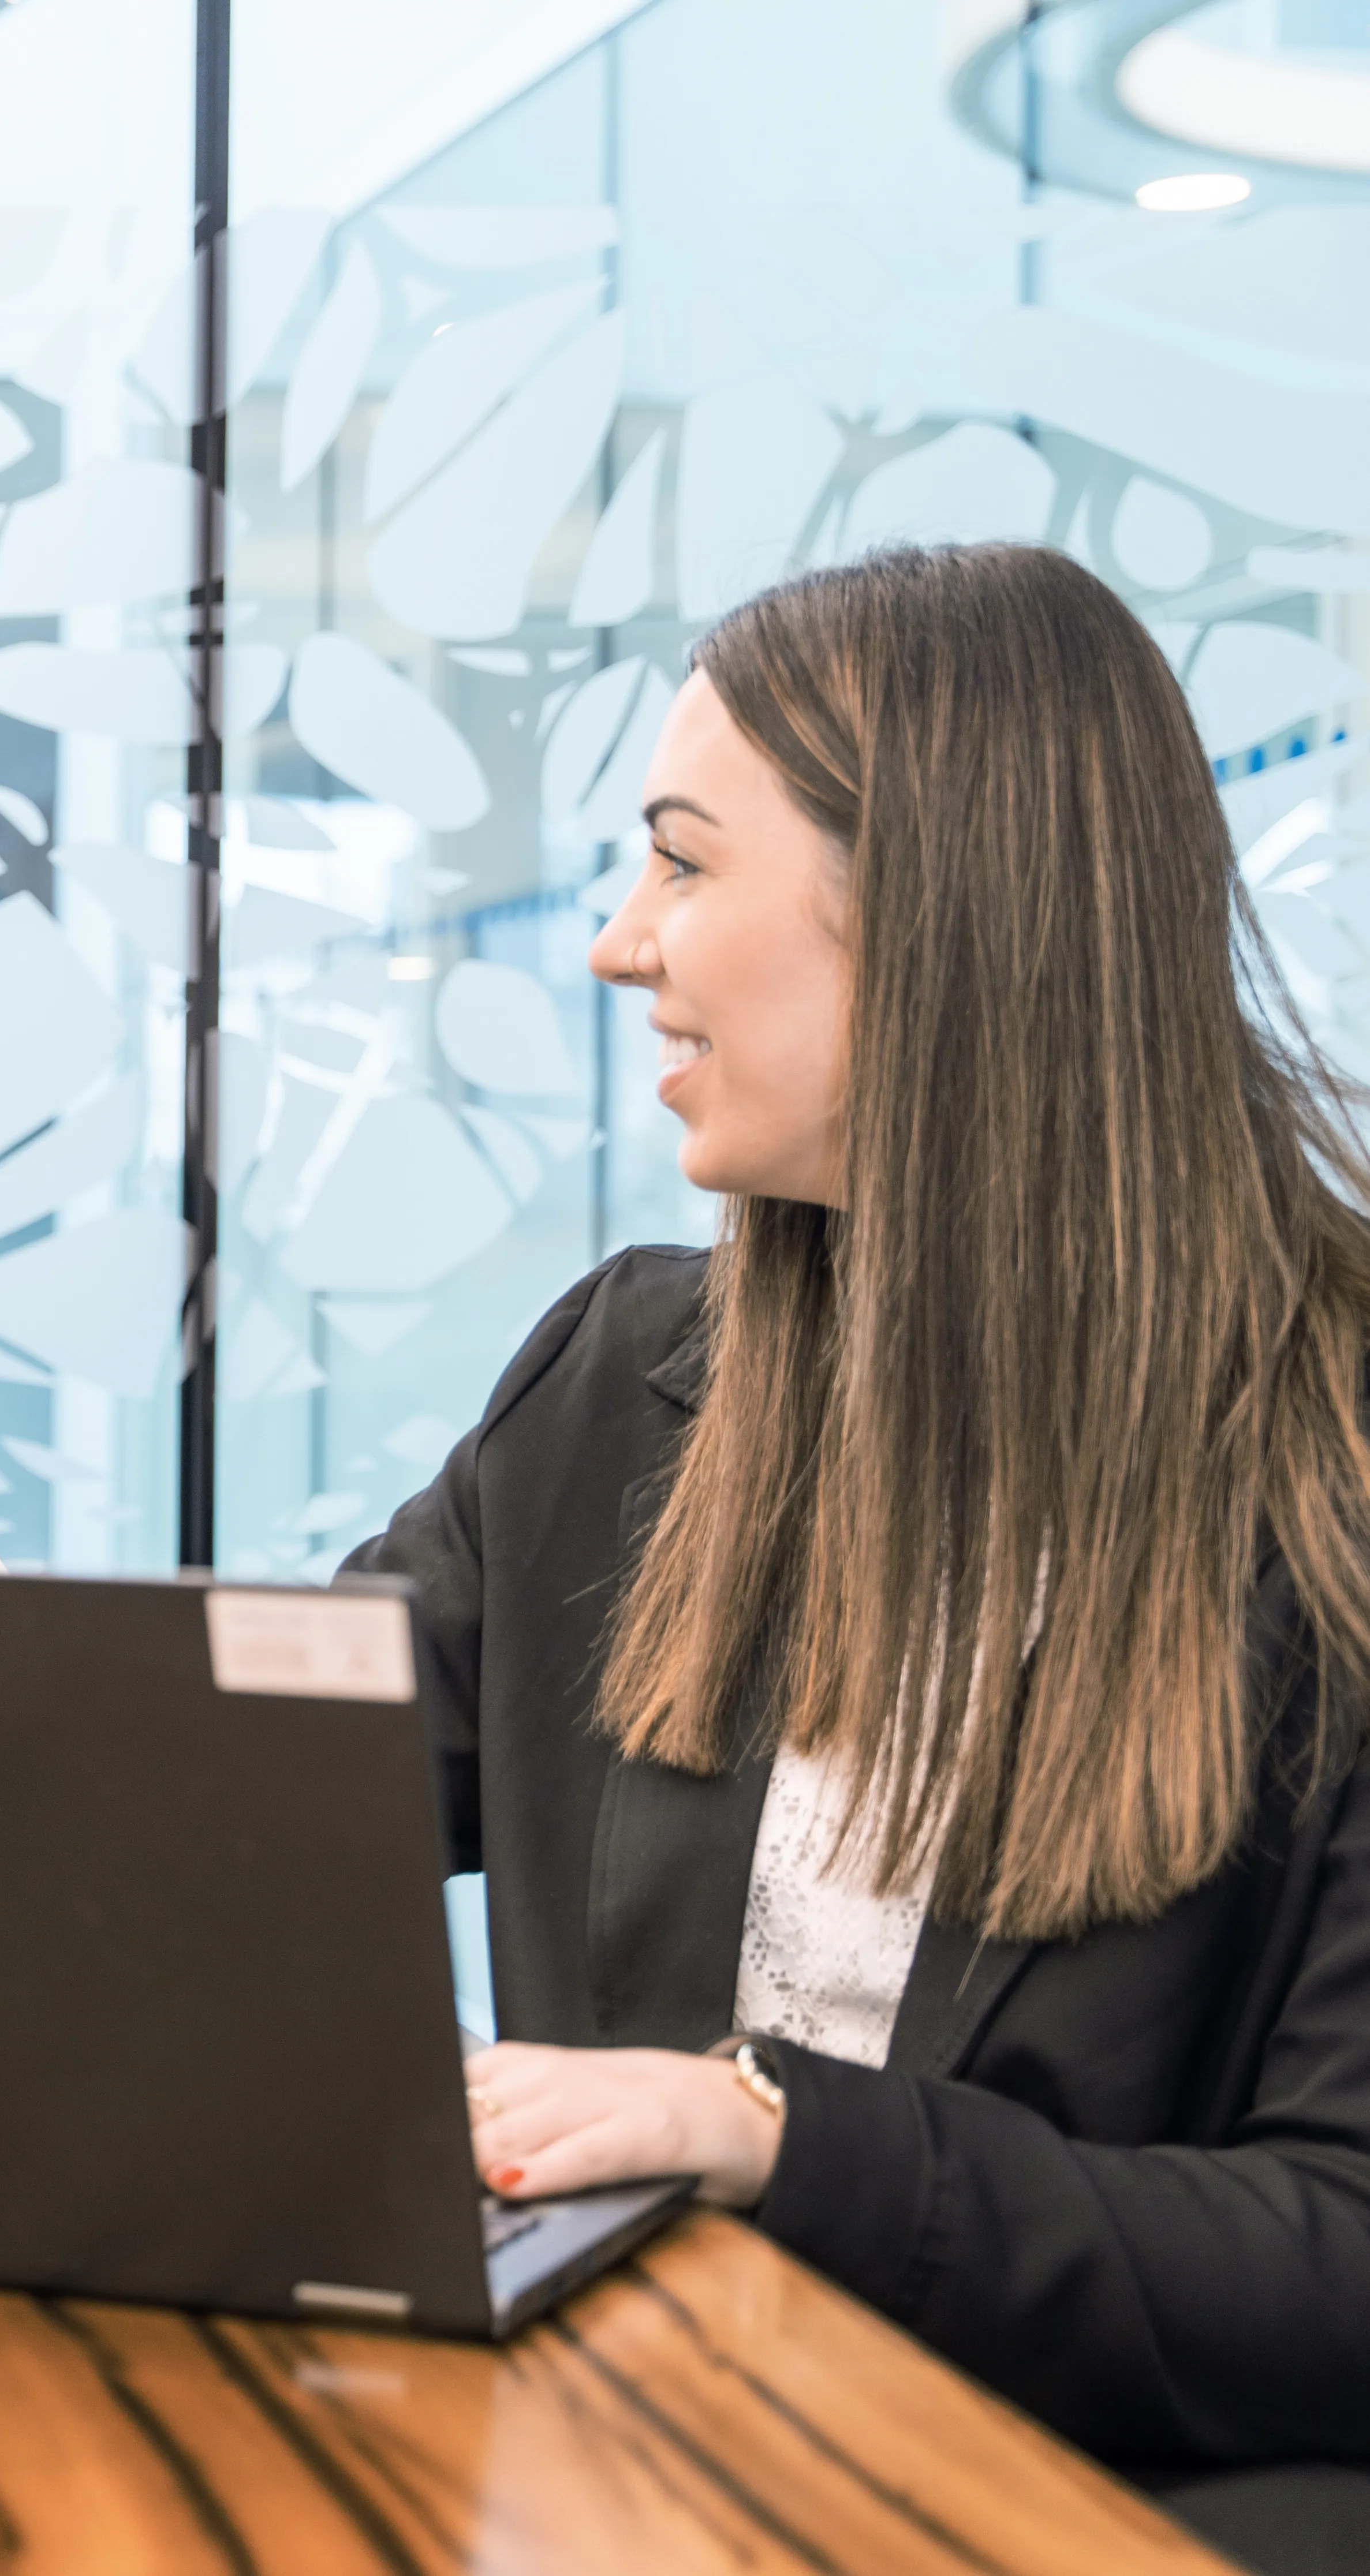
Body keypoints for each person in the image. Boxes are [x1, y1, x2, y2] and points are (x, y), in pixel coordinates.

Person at [350, 542, 1370, 2569]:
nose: (617, 945)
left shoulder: (1328, 1475)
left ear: (933, 915)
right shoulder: (625, 1382)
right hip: (611, 2475)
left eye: (684, 865)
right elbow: (223, 1801)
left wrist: (770, 2140)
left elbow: (1339, 2259)